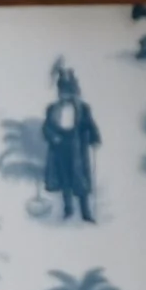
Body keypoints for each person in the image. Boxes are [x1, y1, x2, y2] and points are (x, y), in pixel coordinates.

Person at [39, 60, 101, 220]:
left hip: (77, 147)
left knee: (81, 181)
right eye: (63, 92)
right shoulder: (52, 109)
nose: (66, 95)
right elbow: (46, 128)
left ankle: (86, 213)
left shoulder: (83, 108)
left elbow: (89, 124)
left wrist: (95, 138)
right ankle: (68, 211)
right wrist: (54, 138)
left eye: (69, 92)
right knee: (65, 179)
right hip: (59, 147)